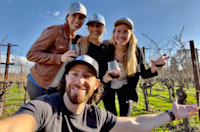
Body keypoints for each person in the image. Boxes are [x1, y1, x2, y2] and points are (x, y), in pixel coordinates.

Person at [0, 55, 198, 132]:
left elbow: (137, 123)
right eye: (74, 74)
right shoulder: (44, 108)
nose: (80, 80)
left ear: (96, 85)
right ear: (66, 79)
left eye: (87, 76)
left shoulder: (96, 116)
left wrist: (171, 114)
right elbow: (14, 127)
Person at [101, 17, 170, 116]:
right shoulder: (106, 48)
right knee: (110, 118)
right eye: (118, 31)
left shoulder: (135, 51)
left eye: (125, 32)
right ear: (114, 33)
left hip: (126, 87)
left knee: (125, 119)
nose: (121, 35)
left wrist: (153, 69)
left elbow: (143, 73)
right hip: (108, 87)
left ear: (130, 35)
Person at [26, 2, 87, 100]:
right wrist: (60, 58)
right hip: (39, 84)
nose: (77, 20)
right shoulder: (55, 31)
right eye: (74, 16)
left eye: (81, 18)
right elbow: (31, 55)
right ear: (67, 17)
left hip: (55, 88)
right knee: (40, 114)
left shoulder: (75, 39)